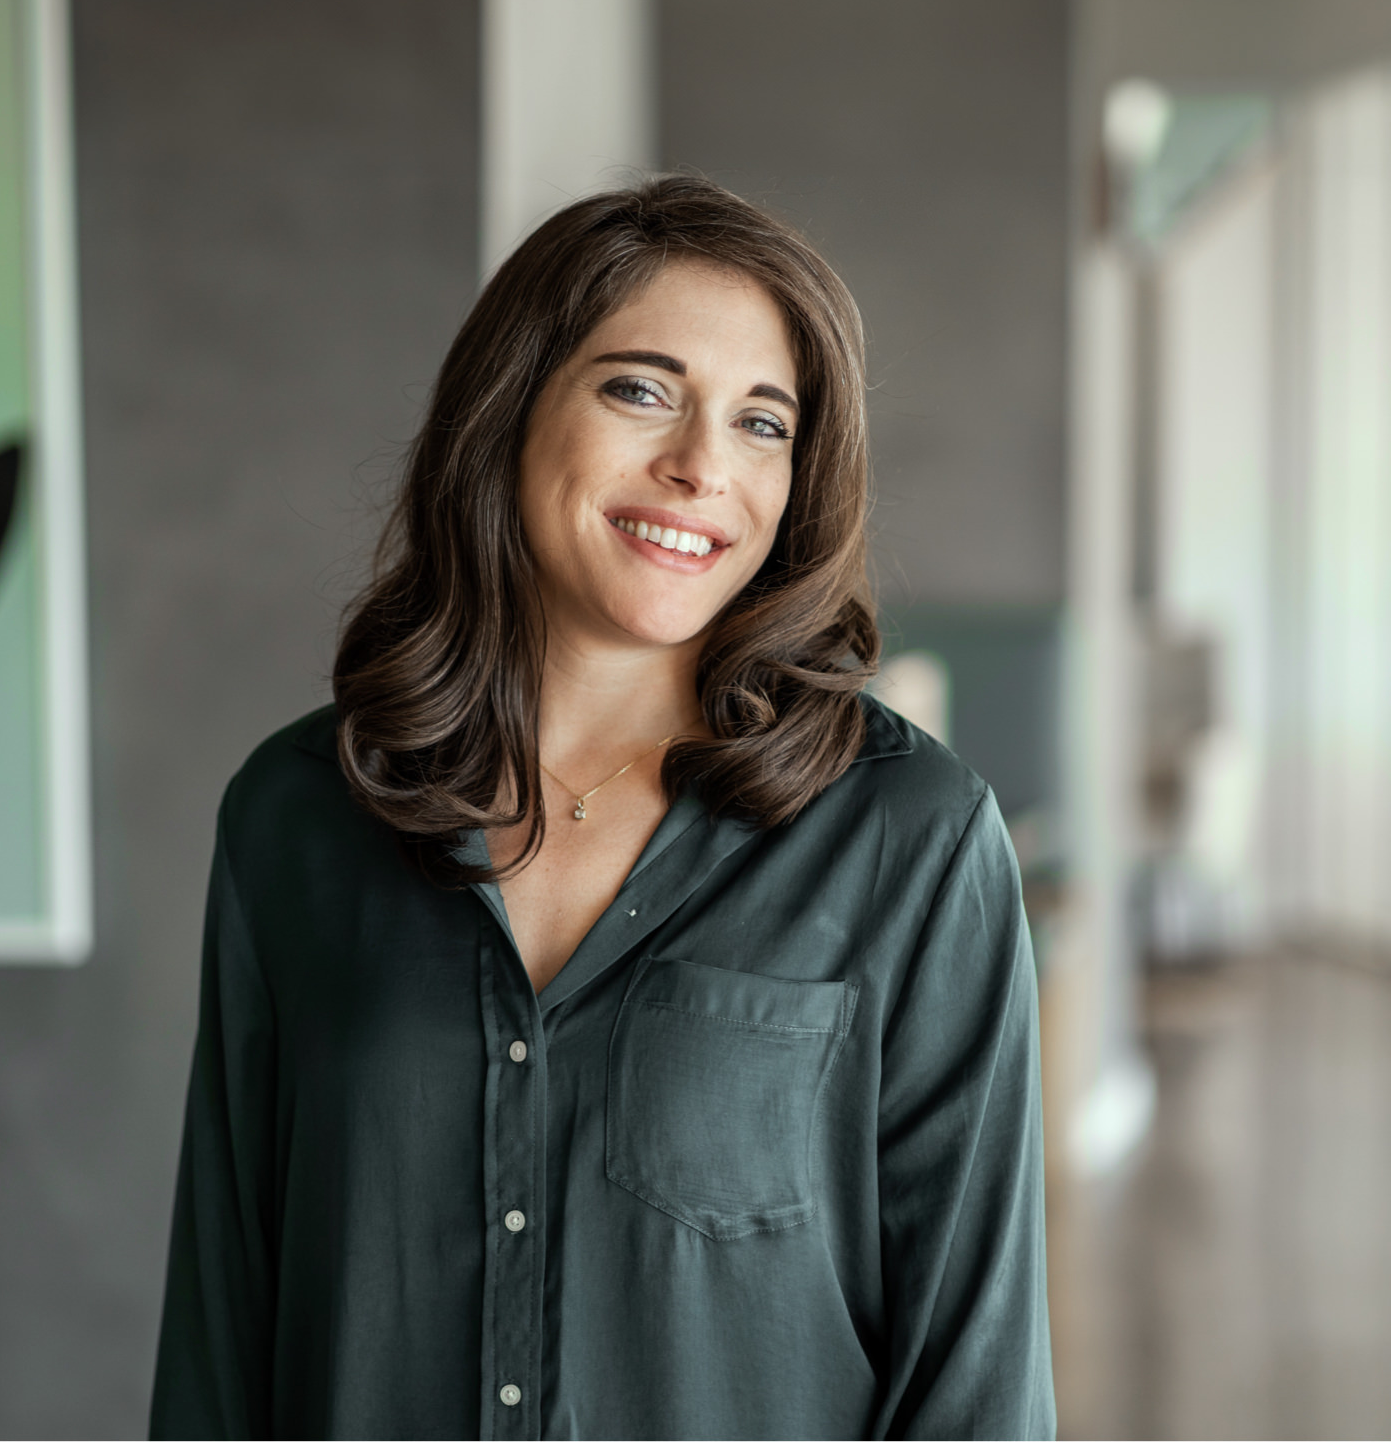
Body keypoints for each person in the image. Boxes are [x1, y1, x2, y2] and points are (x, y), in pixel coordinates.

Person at [149, 175, 1055, 1441]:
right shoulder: (297, 819)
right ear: (511, 409)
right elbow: (222, 1331)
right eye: (641, 390)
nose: (698, 469)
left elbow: (976, 1377)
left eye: (761, 424)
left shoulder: (911, 840)